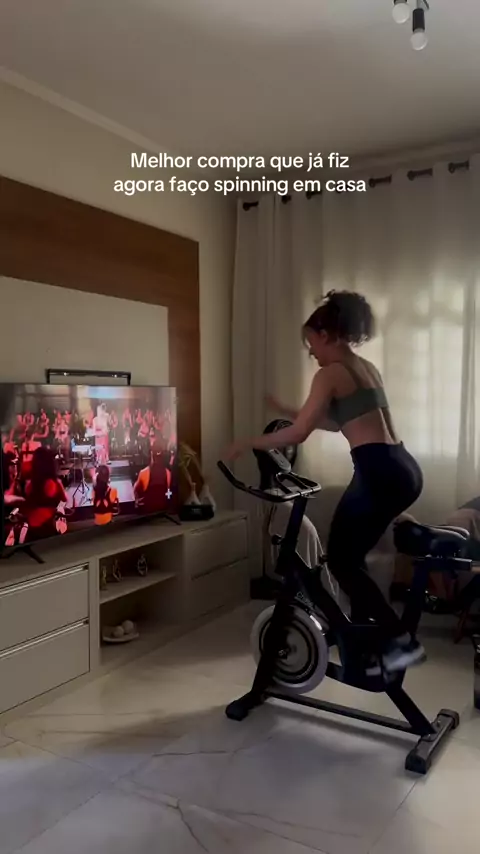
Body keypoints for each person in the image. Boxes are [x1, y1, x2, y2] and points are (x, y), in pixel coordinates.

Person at [226, 290, 425, 674]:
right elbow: (338, 423)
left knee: (341, 561)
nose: (312, 353)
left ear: (327, 334)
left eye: (312, 344)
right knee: (351, 558)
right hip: (403, 468)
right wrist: (290, 410)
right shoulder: (364, 367)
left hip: (377, 472)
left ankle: (400, 641)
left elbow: (298, 434)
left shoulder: (329, 374)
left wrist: (248, 441)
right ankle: (366, 645)